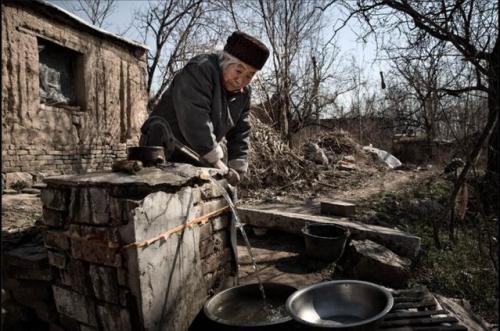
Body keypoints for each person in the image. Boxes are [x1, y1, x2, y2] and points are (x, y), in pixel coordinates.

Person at [140, 31, 269, 186]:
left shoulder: (244, 94)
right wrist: (216, 161)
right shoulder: (201, 69)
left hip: (198, 153)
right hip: (162, 147)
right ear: (225, 61)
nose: (241, 80)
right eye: (239, 71)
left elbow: (241, 132)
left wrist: (237, 168)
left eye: (249, 75)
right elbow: (195, 118)